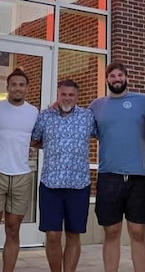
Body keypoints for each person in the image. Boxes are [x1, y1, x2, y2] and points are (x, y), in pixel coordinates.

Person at [89, 62, 145, 272]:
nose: (116, 79)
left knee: (137, 232)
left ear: (126, 77)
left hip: (138, 177)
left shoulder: (143, 102)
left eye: (120, 75)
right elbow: (78, 124)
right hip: (109, 177)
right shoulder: (96, 106)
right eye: (112, 76)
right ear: (107, 79)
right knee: (112, 232)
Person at [0, 68, 39, 272]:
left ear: (27, 88)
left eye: (22, 84)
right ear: (8, 87)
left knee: (13, 229)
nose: (17, 88)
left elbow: (39, 140)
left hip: (21, 175)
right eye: (14, 84)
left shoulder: (34, 112)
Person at [31, 79, 96, 272]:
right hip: (51, 184)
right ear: (58, 95)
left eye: (71, 95)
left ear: (77, 97)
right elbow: (34, 141)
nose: (67, 98)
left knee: (73, 234)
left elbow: (104, 133)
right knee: (52, 234)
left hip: (79, 184)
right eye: (63, 94)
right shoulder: (45, 116)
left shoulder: (88, 117)